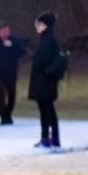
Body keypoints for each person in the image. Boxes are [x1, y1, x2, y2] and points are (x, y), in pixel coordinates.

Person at [28, 10, 64, 149]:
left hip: (45, 82)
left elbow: (43, 61)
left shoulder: (49, 40)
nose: (37, 26)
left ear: (47, 25)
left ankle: (48, 138)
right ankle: (51, 138)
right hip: (43, 81)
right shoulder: (46, 39)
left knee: (46, 110)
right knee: (47, 110)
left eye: (40, 24)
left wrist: (38, 65)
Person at [0, 23, 25, 125]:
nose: (6, 33)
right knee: (1, 94)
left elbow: (22, 52)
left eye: (8, 31)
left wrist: (12, 45)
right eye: (4, 31)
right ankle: (3, 117)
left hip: (11, 72)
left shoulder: (14, 41)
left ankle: (8, 114)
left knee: (12, 95)